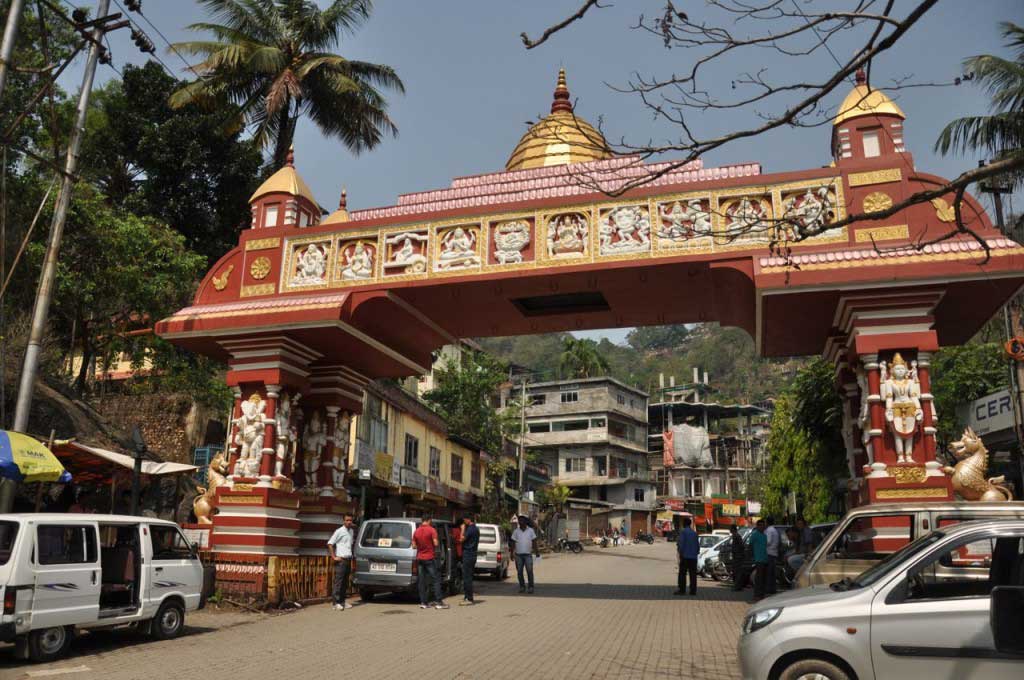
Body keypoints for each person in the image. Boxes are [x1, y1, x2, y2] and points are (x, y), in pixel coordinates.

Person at [412, 515, 448, 609]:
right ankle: (439, 602)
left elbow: (414, 546)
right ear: (429, 520)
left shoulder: (416, 531)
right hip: (429, 558)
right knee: (435, 579)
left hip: (420, 558)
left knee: (422, 581)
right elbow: (436, 543)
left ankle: (423, 602)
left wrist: (421, 546)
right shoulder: (432, 530)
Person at [327, 514, 356, 610]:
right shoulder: (339, 531)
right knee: (338, 582)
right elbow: (330, 543)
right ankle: (335, 603)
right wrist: (334, 557)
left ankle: (342, 601)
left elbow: (350, 545)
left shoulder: (351, 531)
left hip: (348, 559)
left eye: (350, 520)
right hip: (341, 560)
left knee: (345, 583)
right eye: (347, 520)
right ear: (343, 521)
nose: (349, 522)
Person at [511, 515, 539, 593]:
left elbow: (534, 542)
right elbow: (513, 542)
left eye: (522, 520)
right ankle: (522, 586)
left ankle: (531, 587)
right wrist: (511, 553)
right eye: (519, 521)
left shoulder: (531, 531)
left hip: (528, 555)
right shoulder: (516, 531)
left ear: (525, 522)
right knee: (519, 572)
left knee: (529, 571)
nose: (520, 522)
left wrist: (537, 552)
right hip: (518, 555)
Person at [675, 517, 699, 596]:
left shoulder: (683, 532)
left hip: (685, 556)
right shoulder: (694, 533)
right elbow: (698, 546)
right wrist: (695, 553)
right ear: (690, 524)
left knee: (682, 573)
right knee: (693, 575)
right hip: (693, 557)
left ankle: (682, 590)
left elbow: (681, 544)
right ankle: (693, 591)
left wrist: (680, 553)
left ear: (684, 524)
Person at [460, 515, 480, 606]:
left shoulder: (470, 529)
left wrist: (462, 529)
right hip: (472, 554)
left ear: (468, 519)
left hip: (468, 554)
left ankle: (469, 598)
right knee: (468, 576)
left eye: (464, 520)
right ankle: (467, 596)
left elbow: (461, 539)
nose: (464, 522)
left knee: (467, 577)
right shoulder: (475, 528)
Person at [751, 519, 769, 601]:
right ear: (757, 526)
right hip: (758, 559)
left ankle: (761, 595)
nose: (762, 527)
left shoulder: (765, 536)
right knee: (758, 579)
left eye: (763, 525)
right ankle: (756, 595)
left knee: (764, 578)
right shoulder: (754, 535)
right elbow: (750, 546)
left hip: (765, 559)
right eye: (761, 525)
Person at [764, 516, 780, 596]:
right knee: (772, 573)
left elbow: (768, 541)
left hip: (769, 553)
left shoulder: (769, 530)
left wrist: (762, 544)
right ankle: (772, 588)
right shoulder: (774, 530)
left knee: (769, 572)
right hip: (774, 553)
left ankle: (769, 589)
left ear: (767, 522)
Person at [729, 525, 746, 592]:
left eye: (730, 529)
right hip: (736, 556)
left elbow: (742, 546)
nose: (730, 530)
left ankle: (737, 587)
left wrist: (738, 553)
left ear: (733, 529)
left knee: (737, 572)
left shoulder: (737, 536)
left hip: (738, 557)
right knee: (736, 572)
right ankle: (738, 586)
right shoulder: (735, 536)